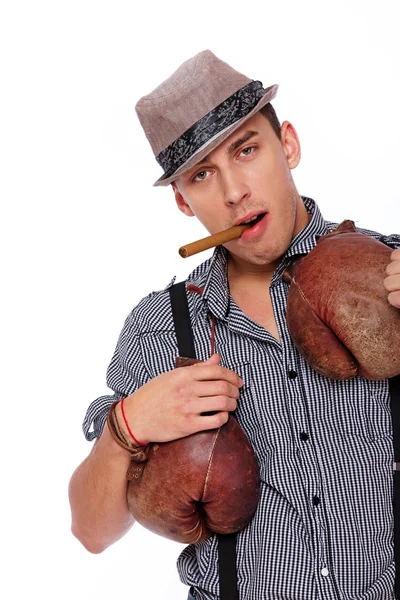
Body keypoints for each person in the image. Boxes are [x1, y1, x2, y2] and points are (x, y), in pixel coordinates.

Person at [68, 50, 400, 600]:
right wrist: (127, 426)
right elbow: (91, 532)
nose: (233, 193)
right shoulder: (162, 327)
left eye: (247, 150)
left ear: (287, 145)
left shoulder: (389, 266)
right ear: (182, 201)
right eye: (203, 175)